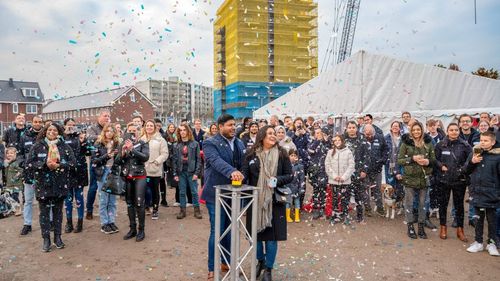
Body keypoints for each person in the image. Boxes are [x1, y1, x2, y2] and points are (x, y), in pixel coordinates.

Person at [242, 125, 293, 281]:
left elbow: (290, 175)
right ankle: (260, 261)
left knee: (272, 238)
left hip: (274, 202)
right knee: (256, 236)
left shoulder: (282, 154)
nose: (273, 135)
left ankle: (269, 269)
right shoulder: (251, 155)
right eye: (270, 133)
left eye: (275, 133)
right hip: (255, 200)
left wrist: (277, 180)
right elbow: (245, 176)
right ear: (262, 136)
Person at [200, 114, 245, 280]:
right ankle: (212, 268)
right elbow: (215, 161)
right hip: (215, 195)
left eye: (234, 125)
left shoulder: (239, 143)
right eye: (229, 125)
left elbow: (243, 164)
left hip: (234, 194)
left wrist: (243, 174)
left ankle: (227, 262)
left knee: (230, 230)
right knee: (217, 231)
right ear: (220, 126)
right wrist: (232, 171)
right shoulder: (209, 143)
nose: (233, 128)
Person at [30, 123, 76, 252]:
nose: (52, 132)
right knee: (44, 214)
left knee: (58, 212)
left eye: (55, 130)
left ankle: (57, 237)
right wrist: (44, 165)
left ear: (59, 132)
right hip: (43, 184)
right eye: (49, 129)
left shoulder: (65, 147)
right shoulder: (37, 146)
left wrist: (59, 165)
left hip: (59, 184)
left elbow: (73, 164)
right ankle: (46, 239)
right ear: (45, 131)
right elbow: (30, 163)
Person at [398, 122, 436, 239]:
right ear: (411, 131)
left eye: (418, 130)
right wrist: (412, 159)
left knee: (422, 204)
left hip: (424, 178)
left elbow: (433, 159)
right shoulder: (406, 143)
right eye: (414, 130)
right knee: (409, 203)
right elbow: (399, 160)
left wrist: (427, 162)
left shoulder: (428, 143)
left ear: (422, 130)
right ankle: (410, 226)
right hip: (410, 177)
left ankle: (421, 226)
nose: (416, 132)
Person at [434, 123, 471, 242]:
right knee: (443, 204)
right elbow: (435, 159)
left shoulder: (465, 145)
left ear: (459, 131)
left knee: (459, 206)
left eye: (456, 130)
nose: (454, 132)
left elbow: (469, 161)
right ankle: (443, 227)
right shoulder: (441, 145)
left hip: (459, 180)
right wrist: (441, 166)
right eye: (451, 130)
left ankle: (460, 230)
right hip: (443, 180)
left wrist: (462, 170)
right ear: (448, 131)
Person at [465, 131, 500, 256]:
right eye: (481, 140)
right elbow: (466, 170)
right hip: (477, 193)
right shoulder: (475, 152)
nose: (483, 143)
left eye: (486, 140)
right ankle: (478, 242)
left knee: (492, 220)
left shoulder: (498, 155)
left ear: (493, 142)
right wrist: (472, 162)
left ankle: (491, 243)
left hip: (492, 194)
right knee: (478, 219)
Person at [116, 129, 150, 242]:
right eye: (129, 131)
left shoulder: (143, 143)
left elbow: (145, 157)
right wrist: (123, 153)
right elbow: (117, 162)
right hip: (127, 177)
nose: (131, 133)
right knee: (129, 203)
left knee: (139, 203)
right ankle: (132, 229)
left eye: (134, 131)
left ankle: (141, 230)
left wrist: (132, 149)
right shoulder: (122, 144)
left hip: (140, 176)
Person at [91, 123, 121, 234]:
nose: (109, 133)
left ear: (114, 133)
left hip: (113, 173)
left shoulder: (117, 144)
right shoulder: (98, 144)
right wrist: (107, 156)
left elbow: (120, 160)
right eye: (107, 131)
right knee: (103, 199)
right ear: (104, 132)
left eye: (111, 131)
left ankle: (111, 221)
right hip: (102, 172)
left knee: (112, 200)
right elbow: (94, 160)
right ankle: (104, 223)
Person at [19, 115, 44, 235]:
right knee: (28, 201)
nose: (37, 124)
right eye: (35, 122)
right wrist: (23, 164)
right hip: (29, 174)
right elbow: (20, 153)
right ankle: (27, 224)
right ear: (32, 122)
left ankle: (48, 222)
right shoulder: (25, 136)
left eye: (40, 122)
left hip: (44, 174)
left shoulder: (46, 136)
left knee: (44, 200)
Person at [172, 124, 202, 219]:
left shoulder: (195, 144)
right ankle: (182, 211)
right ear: (178, 133)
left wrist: (196, 173)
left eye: (184, 130)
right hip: (181, 172)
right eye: (180, 130)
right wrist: (175, 173)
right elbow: (174, 160)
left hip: (191, 172)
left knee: (194, 192)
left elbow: (198, 160)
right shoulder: (176, 145)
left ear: (188, 131)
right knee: (182, 192)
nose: (182, 132)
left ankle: (197, 210)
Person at [63, 118, 87, 233]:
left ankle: (80, 222)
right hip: (66, 170)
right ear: (64, 126)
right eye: (69, 125)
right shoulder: (61, 138)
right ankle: (69, 222)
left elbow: (86, 152)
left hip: (79, 170)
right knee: (68, 198)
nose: (71, 127)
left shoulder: (80, 136)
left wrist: (82, 142)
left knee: (79, 196)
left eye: (73, 125)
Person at [141, 120, 169, 220]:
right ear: (145, 127)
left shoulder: (160, 139)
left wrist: (157, 162)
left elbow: (165, 153)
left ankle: (155, 209)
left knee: (154, 190)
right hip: (144, 170)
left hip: (155, 170)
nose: (149, 127)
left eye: (151, 126)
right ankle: (147, 206)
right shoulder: (142, 139)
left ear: (154, 127)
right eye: (147, 125)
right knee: (145, 189)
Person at [86, 110, 111, 220]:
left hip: (109, 162)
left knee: (108, 187)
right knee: (93, 187)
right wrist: (104, 136)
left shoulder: (110, 128)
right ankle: (89, 210)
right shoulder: (92, 128)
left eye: (109, 116)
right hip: (96, 162)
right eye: (105, 116)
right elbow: (89, 139)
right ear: (99, 117)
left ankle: (106, 210)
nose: (107, 118)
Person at [325, 135, 355, 224]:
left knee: (344, 199)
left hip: (345, 181)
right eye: (335, 140)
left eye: (339, 140)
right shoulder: (330, 152)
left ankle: (345, 215)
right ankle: (334, 216)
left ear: (342, 141)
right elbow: (327, 165)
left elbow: (351, 166)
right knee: (334, 199)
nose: (337, 141)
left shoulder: (348, 152)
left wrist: (344, 177)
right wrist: (334, 176)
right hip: (334, 181)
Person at [344, 121, 370, 222]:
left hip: (358, 171)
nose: (351, 129)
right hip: (346, 172)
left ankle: (360, 216)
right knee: (345, 194)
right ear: (346, 128)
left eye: (353, 127)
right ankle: (345, 215)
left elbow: (367, 156)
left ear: (356, 128)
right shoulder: (343, 140)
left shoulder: (362, 140)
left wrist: (364, 170)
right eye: (349, 127)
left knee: (359, 195)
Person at [363, 124, 389, 216]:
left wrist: (383, 160)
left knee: (377, 188)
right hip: (365, 170)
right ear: (364, 133)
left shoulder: (380, 138)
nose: (369, 136)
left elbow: (386, 150)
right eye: (367, 135)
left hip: (377, 168)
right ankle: (367, 209)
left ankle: (379, 208)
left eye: (371, 134)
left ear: (374, 132)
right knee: (365, 189)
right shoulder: (361, 139)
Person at [307, 127, 329, 219]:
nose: (319, 134)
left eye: (320, 133)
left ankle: (322, 209)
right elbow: (310, 151)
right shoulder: (311, 143)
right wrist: (317, 141)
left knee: (323, 190)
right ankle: (316, 209)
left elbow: (330, 152)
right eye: (317, 133)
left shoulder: (327, 144)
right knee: (316, 190)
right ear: (314, 135)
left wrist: (325, 141)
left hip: (324, 170)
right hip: (314, 171)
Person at [385, 121, 404, 209]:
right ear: (391, 127)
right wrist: (384, 159)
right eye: (394, 126)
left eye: (397, 126)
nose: (395, 127)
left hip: (400, 164)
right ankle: (390, 204)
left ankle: (399, 204)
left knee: (400, 184)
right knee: (390, 184)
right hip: (390, 164)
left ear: (400, 128)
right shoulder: (387, 138)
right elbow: (383, 150)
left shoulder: (403, 138)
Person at [284, 149, 305, 223]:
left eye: (295, 155)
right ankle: (287, 216)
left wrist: (301, 188)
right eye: (291, 155)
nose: (293, 157)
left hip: (296, 188)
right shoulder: (286, 165)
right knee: (288, 202)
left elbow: (302, 178)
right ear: (288, 156)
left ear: (297, 157)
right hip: (288, 187)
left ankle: (296, 216)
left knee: (297, 202)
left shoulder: (300, 166)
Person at [3, 147, 23, 215]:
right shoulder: (7, 163)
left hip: (16, 184)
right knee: (8, 196)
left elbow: (21, 171)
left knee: (15, 196)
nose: (9, 154)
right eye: (8, 153)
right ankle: (13, 208)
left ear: (15, 154)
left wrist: (15, 177)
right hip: (9, 184)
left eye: (11, 153)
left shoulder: (16, 163)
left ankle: (18, 209)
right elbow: (4, 169)